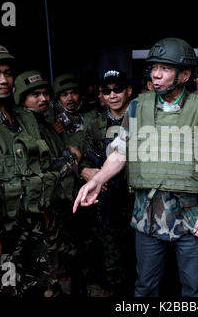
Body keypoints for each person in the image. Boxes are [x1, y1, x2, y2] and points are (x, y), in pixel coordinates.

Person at [73, 37, 198, 297]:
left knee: (194, 290)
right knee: (145, 287)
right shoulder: (137, 106)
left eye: (165, 69)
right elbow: (120, 153)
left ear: (184, 74)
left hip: (193, 218)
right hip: (147, 216)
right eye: (154, 67)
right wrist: (97, 180)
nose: (156, 75)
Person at [0, 42, 62, 297]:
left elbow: (39, 166)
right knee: (6, 291)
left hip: (34, 223)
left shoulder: (25, 118)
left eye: (7, 73)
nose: (4, 80)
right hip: (1, 233)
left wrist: (43, 209)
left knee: (43, 287)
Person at [14, 70, 82, 295]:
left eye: (45, 94)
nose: (43, 99)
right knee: (46, 270)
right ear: (21, 98)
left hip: (58, 207)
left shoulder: (44, 124)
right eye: (35, 94)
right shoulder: (20, 128)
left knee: (64, 261)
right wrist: (71, 158)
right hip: (40, 212)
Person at [77, 69, 135, 296]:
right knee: (112, 257)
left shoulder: (141, 121)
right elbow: (84, 160)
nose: (112, 95)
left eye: (118, 89)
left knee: (144, 258)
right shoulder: (95, 124)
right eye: (107, 91)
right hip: (108, 201)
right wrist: (85, 171)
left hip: (139, 200)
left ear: (129, 91)